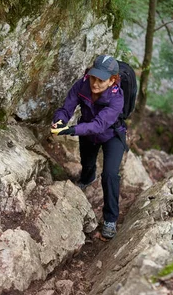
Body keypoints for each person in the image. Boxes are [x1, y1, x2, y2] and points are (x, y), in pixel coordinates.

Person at [50, 54, 126, 240]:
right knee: (87, 163)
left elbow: (100, 125)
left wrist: (71, 130)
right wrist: (59, 122)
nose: (95, 83)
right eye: (93, 77)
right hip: (87, 133)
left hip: (112, 135)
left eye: (101, 80)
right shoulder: (82, 84)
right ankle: (87, 178)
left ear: (112, 81)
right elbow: (66, 108)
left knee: (109, 174)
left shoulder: (117, 98)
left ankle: (110, 219)